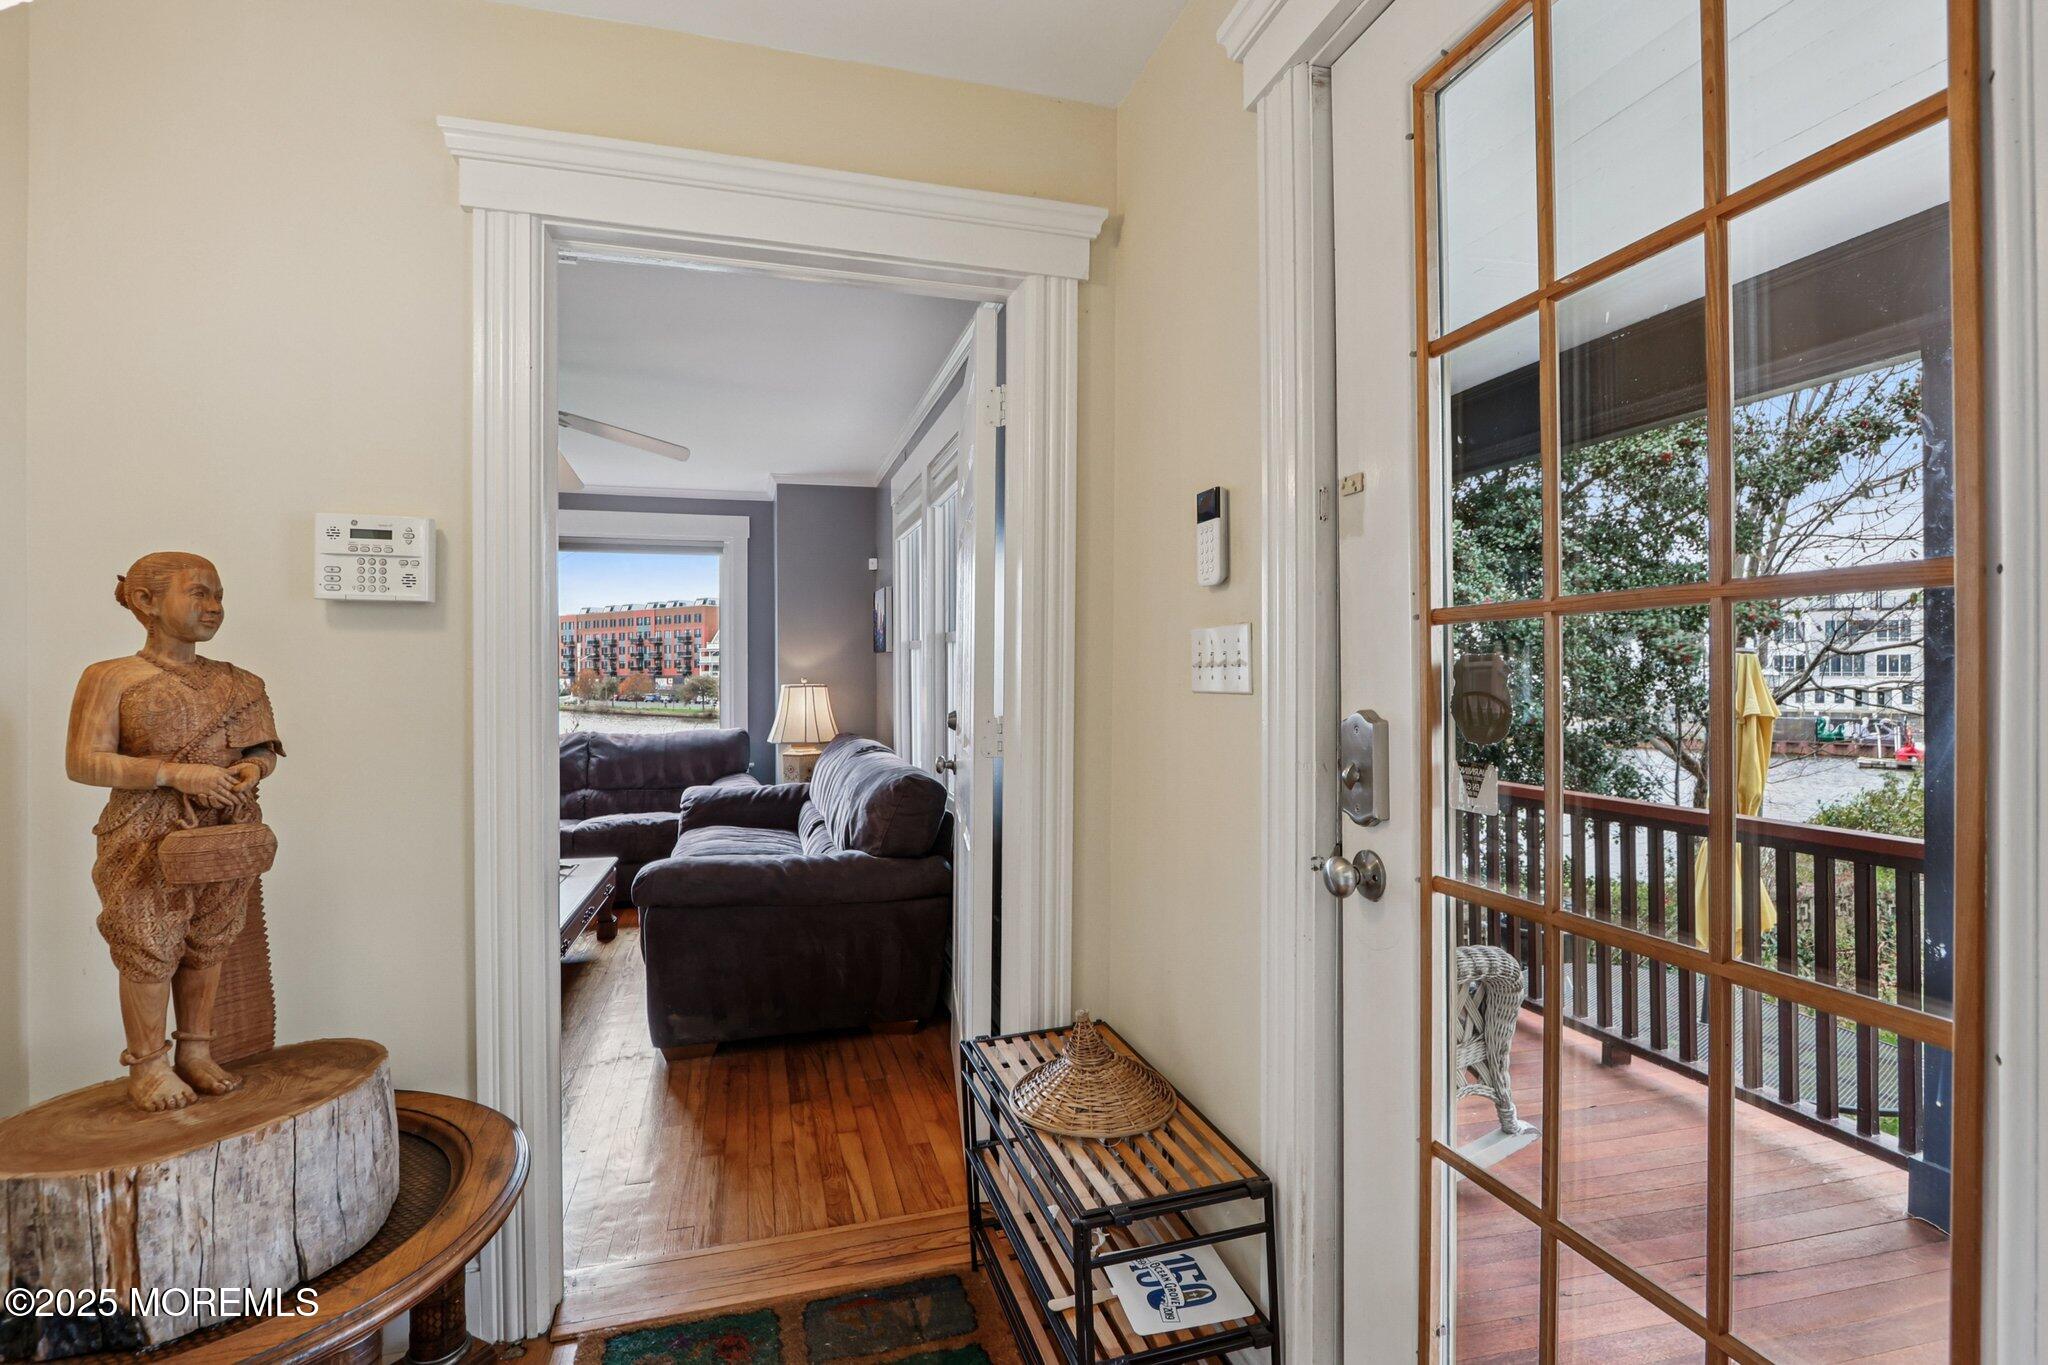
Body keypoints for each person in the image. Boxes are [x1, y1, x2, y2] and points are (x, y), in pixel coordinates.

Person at [65, 552, 282, 1112]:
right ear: (146, 602)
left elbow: (262, 750)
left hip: (223, 827)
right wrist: (175, 774)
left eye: (219, 595)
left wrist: (249, 771)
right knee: (147, 943)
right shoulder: (111, 678)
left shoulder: (240, 682)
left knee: (210, 940)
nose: (213, 607)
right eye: (199, 593)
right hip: (143, 834)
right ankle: (148, 1064)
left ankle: (196, 1052)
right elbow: (85, 762)